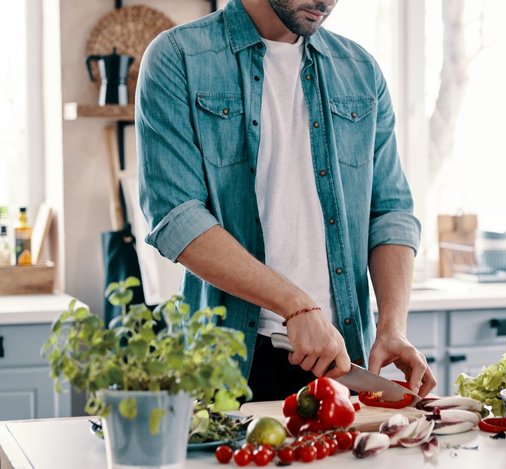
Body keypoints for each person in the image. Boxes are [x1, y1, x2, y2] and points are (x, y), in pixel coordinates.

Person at [136, 0, 436, 401]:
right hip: (228, 361)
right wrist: (297, 307)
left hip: (343, 359)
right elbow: (178, 218)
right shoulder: (178, 58)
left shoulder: (360, 71)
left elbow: (390, 213)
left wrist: (392, 327)